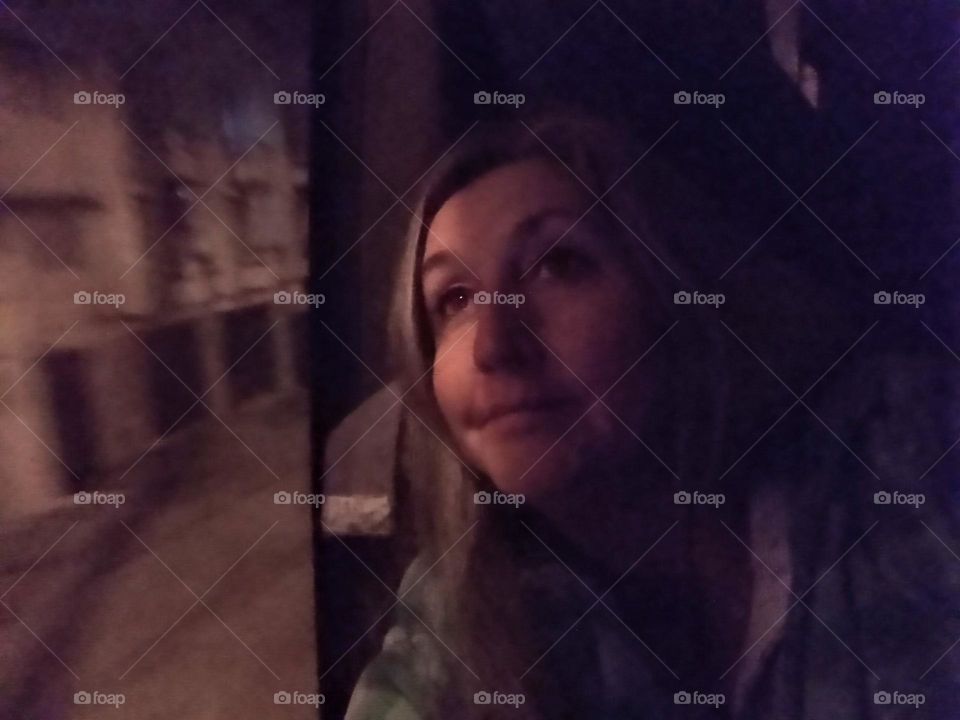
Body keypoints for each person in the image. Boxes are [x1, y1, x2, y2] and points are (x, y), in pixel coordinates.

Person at [343, 111, 960, 719]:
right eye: (455, 299)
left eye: (559, 264)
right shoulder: (461, 606)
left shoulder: (909, 459)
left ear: (674, 293)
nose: (494, 346)